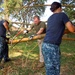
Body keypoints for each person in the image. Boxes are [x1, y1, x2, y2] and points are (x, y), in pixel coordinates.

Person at [42, 2, 75, 75]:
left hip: (44, 45)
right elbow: (72, 29)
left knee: (49, 68)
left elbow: (55, 30)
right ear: (59, 8)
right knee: (55, 69)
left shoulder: (50, 18)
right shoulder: (62, 15)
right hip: (52, 46)